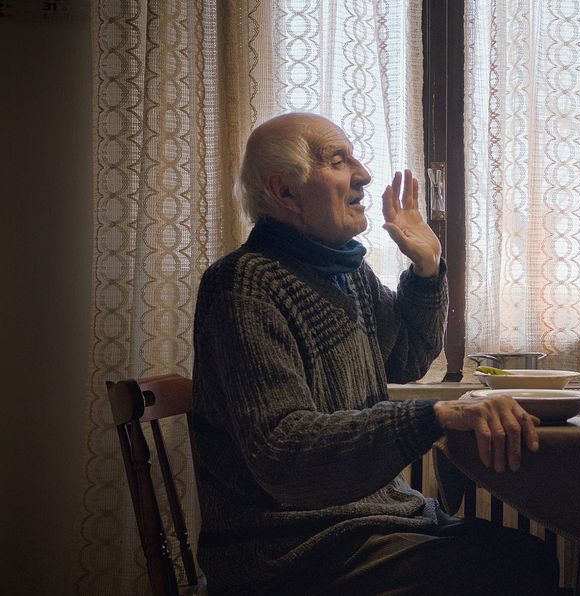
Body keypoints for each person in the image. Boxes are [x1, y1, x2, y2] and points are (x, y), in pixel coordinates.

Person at [190, 112, 560, 595]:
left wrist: (427, 269)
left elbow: (406, 355)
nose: (363, 174)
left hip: (367, 525)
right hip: (288, 552)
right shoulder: (243, 285)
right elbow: (284, 451)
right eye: (338, 161)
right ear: (284, 192)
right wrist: (436, 416)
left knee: (528, 557)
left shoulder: (345, 275)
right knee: (507, 572)